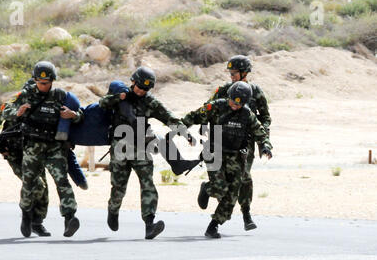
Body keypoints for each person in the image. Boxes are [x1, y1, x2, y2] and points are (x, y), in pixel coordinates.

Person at [98, 67, 191, 239]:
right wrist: (118, 97)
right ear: (133, 82)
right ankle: (113, 209)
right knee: (119, 187)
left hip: (142, 148)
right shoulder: (122, 96)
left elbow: (169, 117)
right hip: (120, 150)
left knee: (147, 185)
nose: (141, 91)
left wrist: (186, 134)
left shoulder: (150, 102)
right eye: (139, 87)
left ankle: (150, 224)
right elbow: (102, 103)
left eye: (145, 89)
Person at [181, 81, 273, 238]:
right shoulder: (216, 106)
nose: (234, 106)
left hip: (235, 156)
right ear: (228, 96)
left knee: (231, 195)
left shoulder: (247, 114)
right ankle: (207, 189)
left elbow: (261, 132)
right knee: (220, 188)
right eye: (232, 101)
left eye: (239, 104)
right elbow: (193, 116)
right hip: (214, 152)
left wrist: (266, 146)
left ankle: (213, 226)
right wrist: (179, 130)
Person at [2, 61, 82, 237]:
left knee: (62, 181)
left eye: (46, 83)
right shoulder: (25, 94)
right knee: (29, 183)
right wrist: (17, 112)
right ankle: (26, 216)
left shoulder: (61, 95)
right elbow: (5, 110)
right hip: (32, 147)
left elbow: (80, 114)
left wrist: (73, 115)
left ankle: (70, 218)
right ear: (35, 80)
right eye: (39, 82)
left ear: (52, 81)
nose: (42, 85)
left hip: (54, 147)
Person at [206, 55, 272, 230]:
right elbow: (208, 109)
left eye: (235, 73)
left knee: (245, 177)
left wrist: (263, 137)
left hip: (245, 142)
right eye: (230, 73)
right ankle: (211, 192)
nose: (231, 76)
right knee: (225, 181)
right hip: (223, 141)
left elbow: (265, 117)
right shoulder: (223, 90)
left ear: (245, 73)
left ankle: (246, 213)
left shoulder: (255, 91)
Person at [0, 104, 50, 237]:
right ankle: (26, 213)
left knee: (44, 191)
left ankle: (37, 223)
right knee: (38, 185)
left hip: (35, 152)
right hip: (15, 154)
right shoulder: (11, 105)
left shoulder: (43, 104)